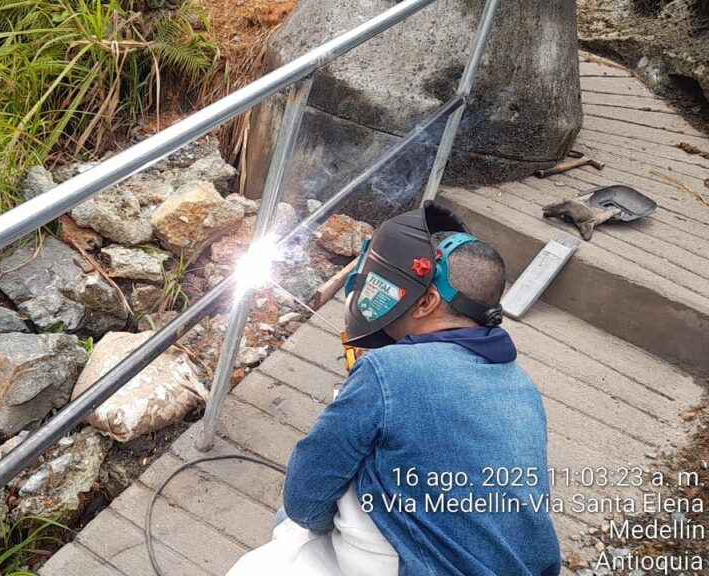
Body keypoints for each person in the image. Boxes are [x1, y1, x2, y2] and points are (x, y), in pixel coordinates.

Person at [227, 203, 561, 576]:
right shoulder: (523, 385)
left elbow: (305, 498)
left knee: (280, 535)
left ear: (426, 302)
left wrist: (372, 382)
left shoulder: (388, 371)